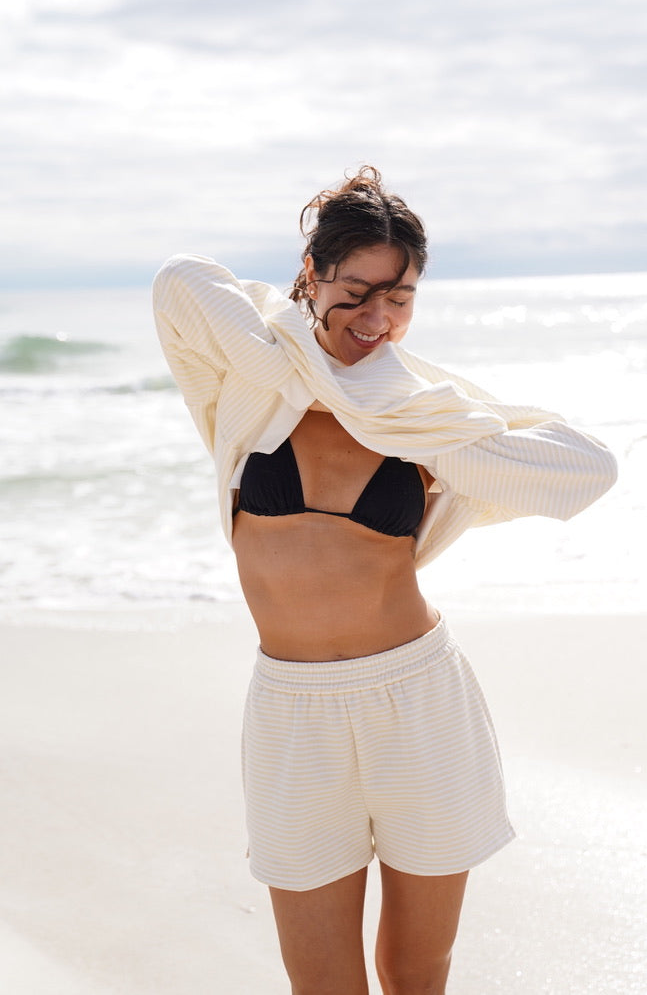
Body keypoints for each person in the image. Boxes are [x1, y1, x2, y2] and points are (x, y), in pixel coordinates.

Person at [153, 166, 616, 995]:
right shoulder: (256, 383)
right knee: (320, 980)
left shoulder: (419, 410)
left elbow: (586, 469)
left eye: (399, 296)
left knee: (415, 970)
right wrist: (325, 375)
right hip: (292, 713)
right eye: (355, 289)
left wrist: (397, 418)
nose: (377, 316)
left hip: (418, 700)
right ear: (311, 274)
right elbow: (180, 284)